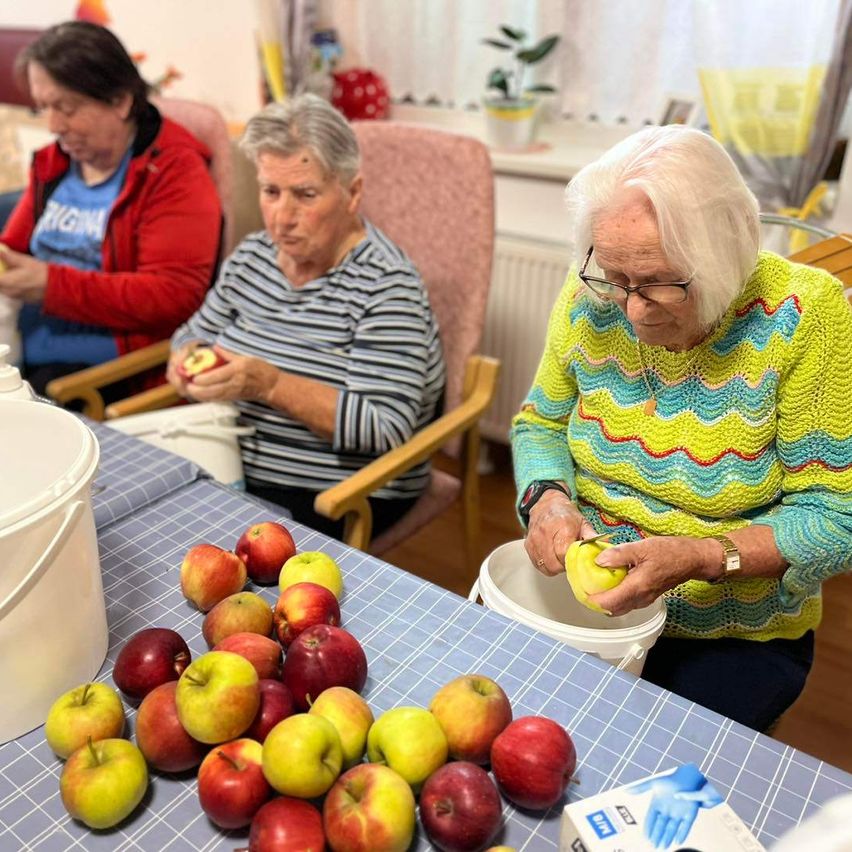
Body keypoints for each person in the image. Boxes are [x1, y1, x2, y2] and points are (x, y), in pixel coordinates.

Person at [512, 124, 852, 732]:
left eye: (660, 284)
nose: (633, 311)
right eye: (617, 281)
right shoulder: (594, 283)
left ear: (727, 257)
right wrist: (546, 499)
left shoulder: (806, 316)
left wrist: (700, 557)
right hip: (586, 605)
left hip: (729, 631)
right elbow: (540, 423)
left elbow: (835, 518)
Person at [168, 94, 445, 539]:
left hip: (336, 492)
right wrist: (187, 364)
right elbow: (190, 335)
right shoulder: (252, 257)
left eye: (305, 194)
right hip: (227, 463)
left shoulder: (387, 285)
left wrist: (270, 384)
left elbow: (384, 427)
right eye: (270, 191)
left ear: (352, 192)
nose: (282, 217)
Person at [0, 21, 221, 396]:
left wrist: (51, 285)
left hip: (99, 375)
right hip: (23, 352)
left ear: (120, 100)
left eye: (67, 108)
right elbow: (13, 248)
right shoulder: (54, 162)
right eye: (44, 109)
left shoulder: (174, 171)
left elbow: (175, 295)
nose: (54, 126)